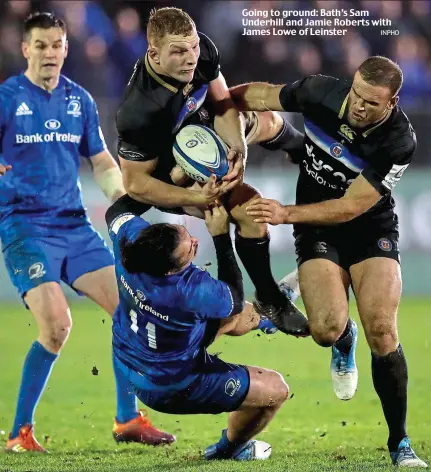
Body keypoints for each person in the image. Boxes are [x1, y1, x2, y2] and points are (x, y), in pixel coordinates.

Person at [230, 56, 428, 468]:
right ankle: (343, 339)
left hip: (368, 227)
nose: (358, 106)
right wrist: (216, 103)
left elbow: (351, 206)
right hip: (318, 233)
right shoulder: (321, 92)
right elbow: (260, 95)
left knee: (383, 330)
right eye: (356, 94)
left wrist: (286, 213)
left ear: (391, 104)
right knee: (324, 330)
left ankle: (399, 443)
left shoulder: (398, 140)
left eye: (371, 103)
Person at [1, 12, 174, 452]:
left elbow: (100, 162)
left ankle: (127, 419)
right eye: (40, 45)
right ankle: (20, 432)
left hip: (73, 227)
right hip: (24, 227)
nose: (49, 53)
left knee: (129, 312)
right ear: (25, 49)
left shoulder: (79, 100)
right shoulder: (6, 99)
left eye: (56, 44)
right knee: (57, 327)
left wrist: (124, 202)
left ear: (65, 49)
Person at [116, 6, 308, 337]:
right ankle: (270, 299)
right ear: (154, 54)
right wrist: (194, 195)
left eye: (192, 47)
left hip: (200, 126)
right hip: (172, 172)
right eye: (178, 52)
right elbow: (135, 184)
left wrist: (239, 153)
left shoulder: (201, 50)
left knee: (267, 120)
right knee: (252, 212)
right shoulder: (139, 111)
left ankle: (306, 153)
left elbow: (222, 103)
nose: (190, 57)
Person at [105, 187, 290, 461]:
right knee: (276, 390)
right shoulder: (188, 291)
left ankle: (265, 320)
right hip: (174, 387)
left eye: (186, 235)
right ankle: (227, 450)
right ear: (170, 270)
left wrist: (163, 185)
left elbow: (117, 211)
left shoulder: (132, 244)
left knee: (228, 315)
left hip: (128, 361)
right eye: (189, 247)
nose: (194, 240)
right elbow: (235, 300)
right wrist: (220, 236)